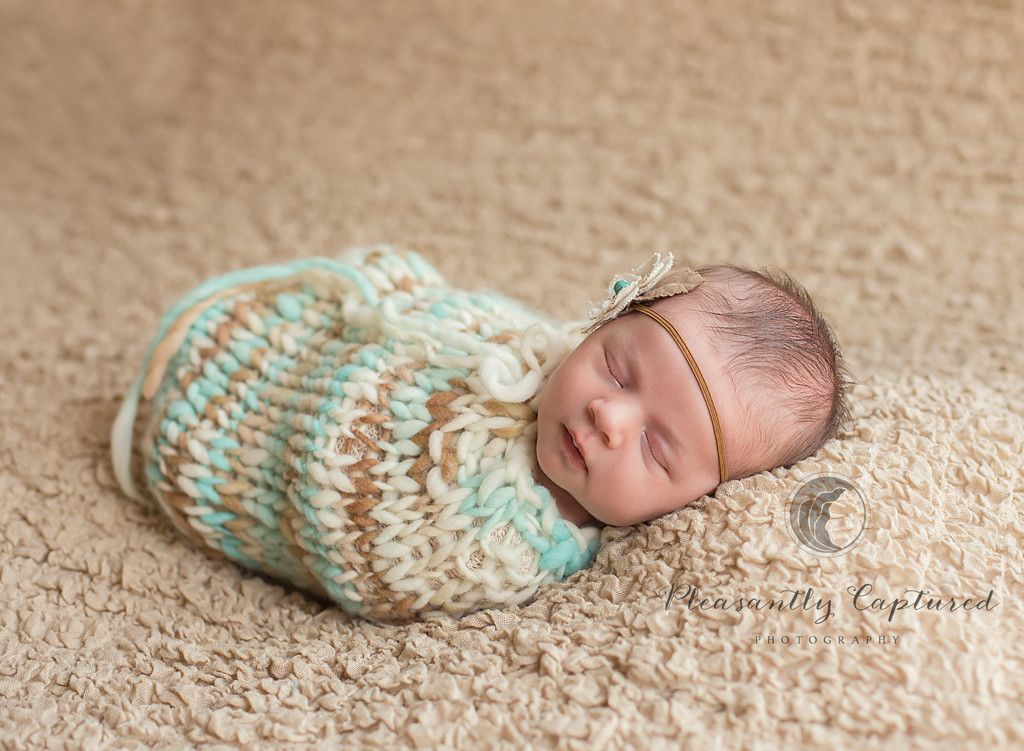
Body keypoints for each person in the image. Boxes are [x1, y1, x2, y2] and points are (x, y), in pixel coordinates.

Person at [111, 247, 849, 622]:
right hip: (295, 343)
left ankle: (193, 417)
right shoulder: (537, 352)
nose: (609, 416)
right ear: (604, 319)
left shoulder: (505, 539)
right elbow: (459, 317)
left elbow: (371, 550)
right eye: (617, 366)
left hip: (230, 436)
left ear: (697, 500)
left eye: (658, 449)